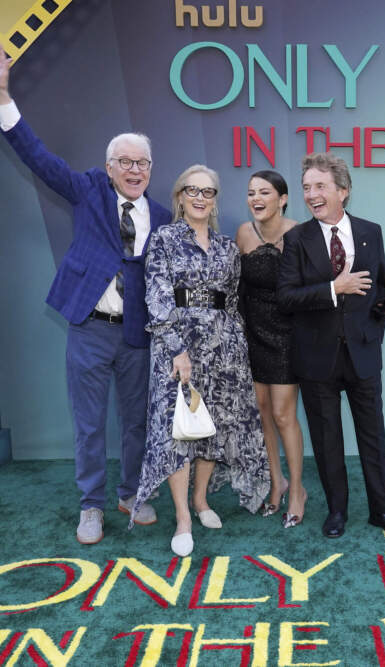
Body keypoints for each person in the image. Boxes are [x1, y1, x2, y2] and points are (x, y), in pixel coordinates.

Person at [0, 40, 168, 544]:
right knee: (88, 426)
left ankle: (132, 494)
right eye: (124, 161)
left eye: (142, 162)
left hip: (137, 335)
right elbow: (36, 156)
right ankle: (91, 507)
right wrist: (1, 97)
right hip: (88, 327)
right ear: (109, 168)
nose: (133, 169)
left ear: (150, 168)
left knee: (136, 422)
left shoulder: (164, 217)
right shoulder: (85, 189)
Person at [134, 165, 269, 556]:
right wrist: (177, 349)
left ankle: (202, 500)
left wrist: (237, 344)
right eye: (192, 190)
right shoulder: (164, 239)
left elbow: (231, 300)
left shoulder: (228, 247)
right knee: (179, 430)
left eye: (208, 192)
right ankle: (182, 518)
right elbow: (157, 297)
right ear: (179, 196)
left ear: (214, 200)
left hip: (223, 348)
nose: (199, 197)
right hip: (178, 349)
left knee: (212, 427)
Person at [277, 153, 385, 540]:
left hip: (363, 354)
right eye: (307, 188)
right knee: (327, 439)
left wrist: (380, 317)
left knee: (373, 435)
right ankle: (337, 511)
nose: (312, 194)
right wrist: (334, 288)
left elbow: (379, 284)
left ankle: (382, 511)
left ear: (343, 191)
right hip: (317, 356)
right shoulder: (296, 239)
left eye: (320, 186)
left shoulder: (372, 231)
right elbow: (286, 298)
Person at [235, 171, 308, 528]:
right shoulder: (244, 233)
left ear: (283, 198)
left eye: (264, 192)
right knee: (263, 413)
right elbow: (238, 289)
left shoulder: (300, 233)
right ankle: (275, 484)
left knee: (283, 415)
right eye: (251, 192)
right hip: (252, 334)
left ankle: (297, 489)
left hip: (288, 335)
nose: (256, 198)